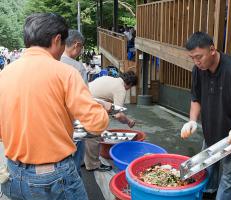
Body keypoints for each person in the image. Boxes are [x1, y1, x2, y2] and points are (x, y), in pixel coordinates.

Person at [0, 13, 109, 200]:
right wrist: (102, 109)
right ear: (57, 39)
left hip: (13, 173)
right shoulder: (66, 73)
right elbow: (96, 123)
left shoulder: (5, 73)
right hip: (54, 177)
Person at [180, 32, 231, 200]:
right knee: (207, 171)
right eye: (192, 58)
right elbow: (196, 98)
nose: (196, 62)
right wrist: (192, 120)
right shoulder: (198, 70)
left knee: (228, 178)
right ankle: (208, 195)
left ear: (212, 50)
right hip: (211, 132)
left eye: (199, 57)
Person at [84, 71, 137, 171]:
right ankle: (93, 165)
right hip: (89, 105)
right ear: (129, 85)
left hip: (80, 100)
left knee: (84, 135)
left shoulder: (109, 78)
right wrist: (128, 121)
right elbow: (118, 115)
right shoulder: (120, 89)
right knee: (94, 135)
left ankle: (83, 160)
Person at [60, 29, 87, 176]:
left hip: (55, 125)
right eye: (81, 47)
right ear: (76, 45)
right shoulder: (77, 68)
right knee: (74, 167)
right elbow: (84, 100)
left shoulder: (51, 62)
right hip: (74, 124)